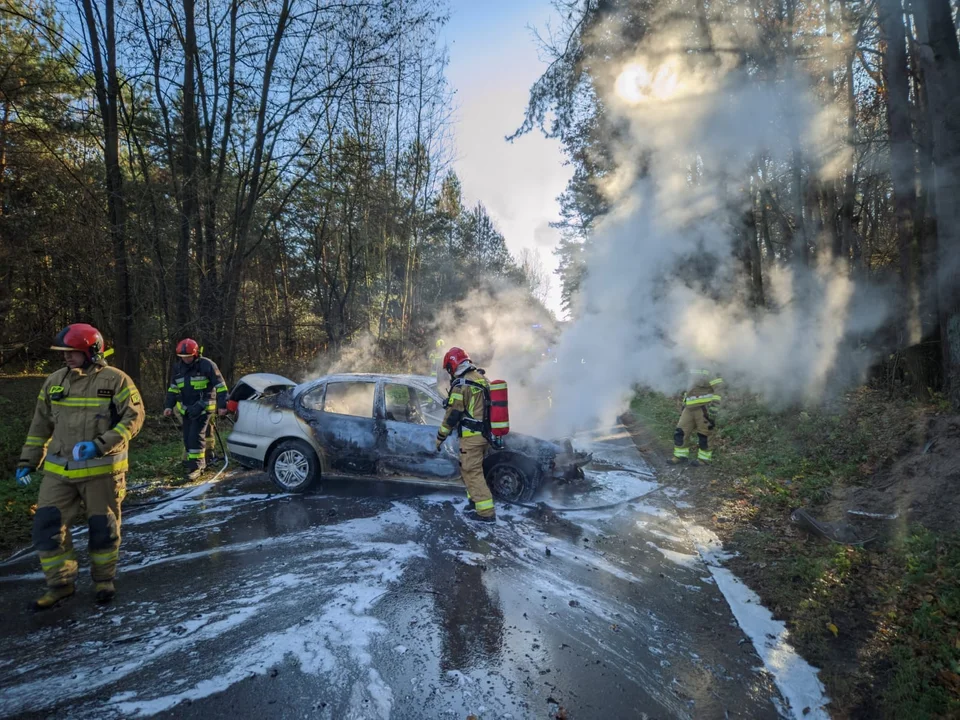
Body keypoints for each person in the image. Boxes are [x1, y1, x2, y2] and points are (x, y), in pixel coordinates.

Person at [16, 323, 145, 610]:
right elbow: (40, 425)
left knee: (103, 528)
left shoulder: (116, 380)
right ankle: (60, 585)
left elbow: (133, 419)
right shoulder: (54, 382)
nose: (66, 357)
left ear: (92, 351)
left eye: (72, 352)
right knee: (46, 528)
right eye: (63, 352)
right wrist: (29, 460)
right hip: (58, 473)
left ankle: (103, 581)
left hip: (102, 471)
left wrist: (101, 444)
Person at [435, 347, 496, 522]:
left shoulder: (461, 385)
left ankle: (486, 513)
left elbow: (452, 415)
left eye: (449, 368)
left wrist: (440, 437)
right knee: (471, 469)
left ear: (452, 365)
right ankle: (474, 501)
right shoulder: (481, 378)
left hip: (472, 437)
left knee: (472, 471)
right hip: (484, 434)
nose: (449, 372)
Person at [163, 339, 229, 480]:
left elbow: (221, 387)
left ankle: (197, 467)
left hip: (204, 407)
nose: (186, 359)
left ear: (196, 354)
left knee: (195, 436)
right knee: (187, 437)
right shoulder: (178, 368)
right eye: (183, 357)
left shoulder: (207, 365)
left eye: (188, 356)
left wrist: (223, 406)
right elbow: (173, 389)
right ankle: (196, 461)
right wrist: (168, 406)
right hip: (187, 409)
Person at [673, 368, 723, 466]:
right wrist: (683, 405)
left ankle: (703, 460)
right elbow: (689, 389)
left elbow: (719, 388)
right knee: (680, 432)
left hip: (704, 408)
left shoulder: (710, 368)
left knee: (704, 434)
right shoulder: (692, 367)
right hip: (688, 408)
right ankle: (680, 456)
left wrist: (714, 407)